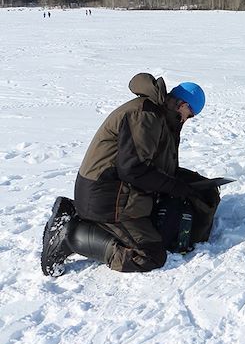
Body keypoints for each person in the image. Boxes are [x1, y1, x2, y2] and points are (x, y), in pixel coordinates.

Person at [41, 73, 220, 276]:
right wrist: (175, 186)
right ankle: (71, 235)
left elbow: (154, 165)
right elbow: (133, 169)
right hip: (107, 197)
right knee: (151, 254)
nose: (188, 119)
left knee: (156, 224)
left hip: (107, 192)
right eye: (192, 114)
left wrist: (190, 183)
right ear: (183, 105)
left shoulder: (156, 115)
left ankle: (78, 213)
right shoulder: (145, 115)